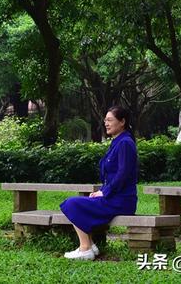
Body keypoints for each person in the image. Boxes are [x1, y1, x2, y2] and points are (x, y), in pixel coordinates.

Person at [58, 105, 139, 260]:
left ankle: (85, 248)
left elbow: (123, 174)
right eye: (105, 120)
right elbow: (111, 175)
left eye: (110, 120)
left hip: (121, 201)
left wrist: (105, 192)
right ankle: (89, 245)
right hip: (113, 197)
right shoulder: (117, 142)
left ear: (122, 122)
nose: (106, 123)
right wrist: (101, 191)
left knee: (72, 204)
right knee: (79, 203)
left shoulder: (125, 143)